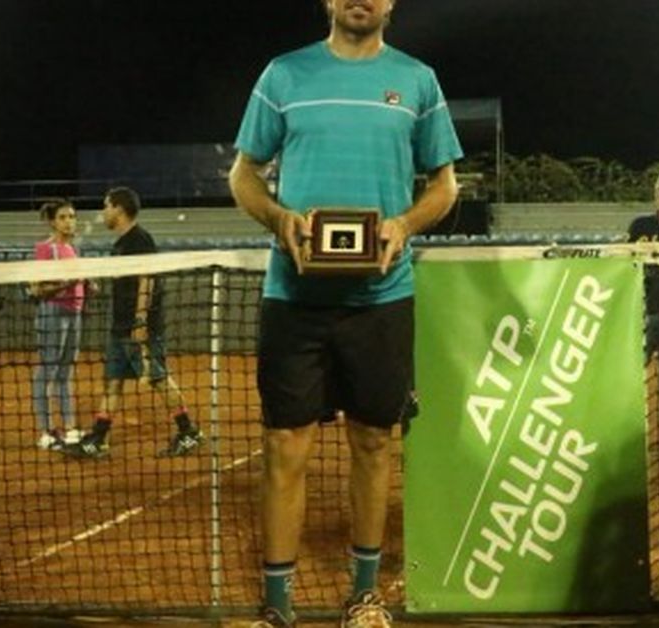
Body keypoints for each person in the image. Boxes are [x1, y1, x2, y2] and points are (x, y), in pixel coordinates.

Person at [227, 1, 462, 626]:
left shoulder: (418, 80)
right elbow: (244, 174)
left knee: (374, 442)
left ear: (391, 3)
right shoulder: (283, 74)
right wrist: (278, 218)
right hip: (293, 299)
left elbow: (445, 185)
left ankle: (364, 597)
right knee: (284, 445)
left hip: (381, 300)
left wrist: (404, 224)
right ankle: (278, 608)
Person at [62, 187, 202, 460]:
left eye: (106, 206)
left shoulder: (139, 240)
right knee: (113, 382)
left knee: (159, 379)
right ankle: (98, 439)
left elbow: (146, 280)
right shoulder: (121, 244)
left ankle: (188, 432)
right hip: (120, 327)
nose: (104, 212)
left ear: (119, 208)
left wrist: (140, 320)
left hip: (137, 327)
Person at [29, 199, 87, 451]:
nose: (69, 222)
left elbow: (77, 282)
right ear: (53, 222)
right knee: (47, 371)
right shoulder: (45, 249)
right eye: (63, 217)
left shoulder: (72, 249)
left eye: (72, 216)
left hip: (75, 313)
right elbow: (37, 289)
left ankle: (70, 428)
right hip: (53, 313)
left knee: (65, 374)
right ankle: (46, 432)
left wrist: (87, 285)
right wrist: (68, 283)